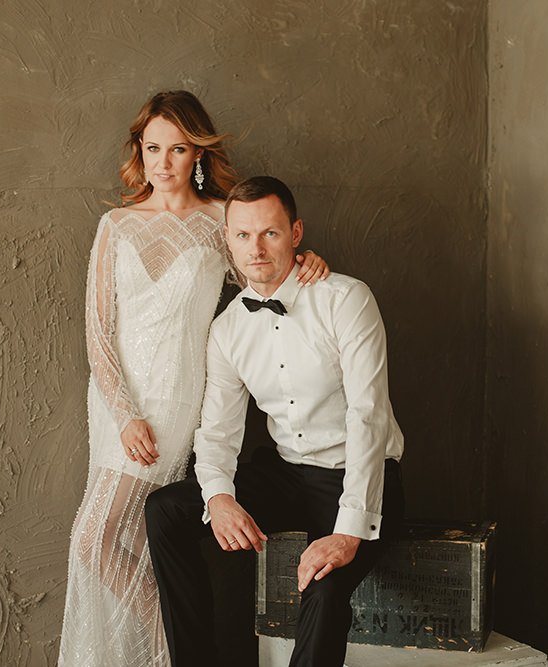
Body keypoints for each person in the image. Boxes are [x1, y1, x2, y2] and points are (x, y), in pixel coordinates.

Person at [58, 93, 329, 667]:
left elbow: (264, 274)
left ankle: (176, 648)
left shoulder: (218, 221)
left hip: (177, 401)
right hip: (115, 406)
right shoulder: (115, 225)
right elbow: (98, 331)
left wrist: (306, 263)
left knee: (98, 538)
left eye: (178, 149)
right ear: (139, 150)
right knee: (105, 541)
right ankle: (173, 647)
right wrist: (123, 413)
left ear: (198, 154)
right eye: (152, 148)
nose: (163, 162)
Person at [145, 176, 405, 667]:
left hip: (359, 475)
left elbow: (368, 417)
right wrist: (219, 498)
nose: (257, 248)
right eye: (243, 235)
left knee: (324, 588)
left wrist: (347, 533)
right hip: (287, 475)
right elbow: (217, 432)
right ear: (228, 239)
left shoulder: (346, 299)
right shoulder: (227, 330)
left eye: (270, 233)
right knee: (166, 510)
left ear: (296, 233)